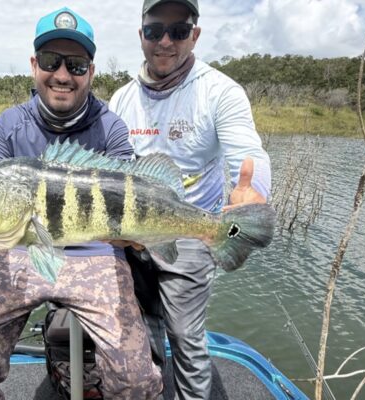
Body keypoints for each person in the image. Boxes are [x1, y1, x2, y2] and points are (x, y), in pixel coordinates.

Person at [0, 7, 162, 400]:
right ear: (34, 65)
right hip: (21, 251)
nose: (62, 74)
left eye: (76, 65)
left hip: (97, 254)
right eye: (51, 61)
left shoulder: (111, 127)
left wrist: (137, 235)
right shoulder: (9, 124)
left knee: (136, 379)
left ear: (90, 72)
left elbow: (131, 197)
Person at [108, 0, 272, 399]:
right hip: (132, 235)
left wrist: (252, 193)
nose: (165, 41)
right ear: (141, 35)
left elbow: (248, 153)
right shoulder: (121, 99)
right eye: (154, 31)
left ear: (195, 35)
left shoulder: (220, 91)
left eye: (178, 31)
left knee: (185, 335)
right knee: (141, 328)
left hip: (193, 233)